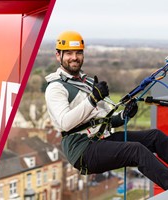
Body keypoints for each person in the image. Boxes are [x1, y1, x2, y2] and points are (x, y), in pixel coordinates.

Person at [45, 30, 168, 190]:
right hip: (83, 150)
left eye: (78, 53)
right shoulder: (56, 88)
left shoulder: (87, 82)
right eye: (68, 53)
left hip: (102, 139)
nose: (74, 57)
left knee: (155, 137)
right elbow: (65, 123)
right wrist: (92, 99)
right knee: (136, 150)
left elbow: (106, 120)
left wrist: (125, 115)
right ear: (58, 56)